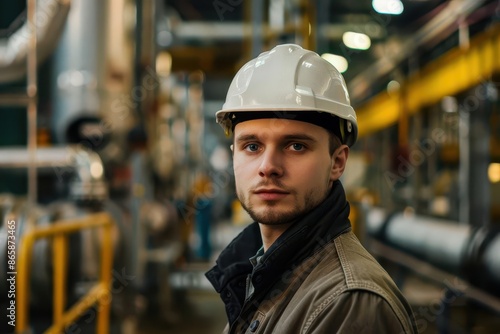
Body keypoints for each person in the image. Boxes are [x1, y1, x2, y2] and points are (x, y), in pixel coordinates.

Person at [205, 44, 417, 334]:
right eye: (252, 146)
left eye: (295, 146)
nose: (268, 166)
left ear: (337, 162)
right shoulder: (258, 273)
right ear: (233, 155)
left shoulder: (350, 303)